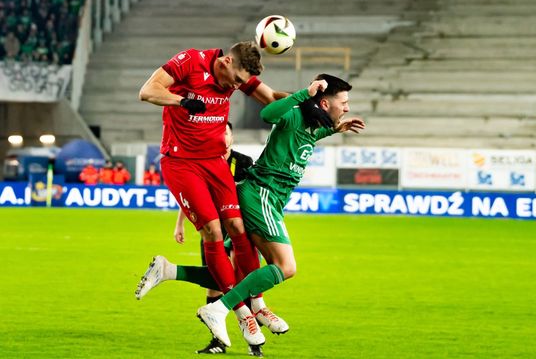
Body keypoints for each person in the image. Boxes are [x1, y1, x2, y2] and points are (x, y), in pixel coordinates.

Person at [135, 74, 364, 350]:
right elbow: (268, 113)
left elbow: (313, 133)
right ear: (325, 103)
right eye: (344, 102)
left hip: (268, 199)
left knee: (238, 274)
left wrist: (336, 129)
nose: (347, 107)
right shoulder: (294, 114)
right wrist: (305, 92)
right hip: (261, 195)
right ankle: (222, 308)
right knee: (286, 267)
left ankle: (171, 271)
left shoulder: (314, 124)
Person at [174, 121, 255, 355]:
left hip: (238, 231)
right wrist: (180, 224)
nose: (223, 138)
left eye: (226, 133)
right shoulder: (203, 162)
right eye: (218, 134)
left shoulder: (244, 162)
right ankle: (217, 342)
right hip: (210, 231)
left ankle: (254, 342)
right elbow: (191, 195)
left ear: (232, 137)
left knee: (243, 284)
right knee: (213, 285)